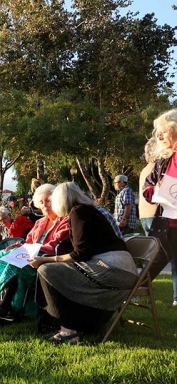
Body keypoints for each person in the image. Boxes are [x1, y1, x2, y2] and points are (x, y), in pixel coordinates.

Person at [31, 182, 138, 344]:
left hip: (114, 270)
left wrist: (44, 260)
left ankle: (68, 330)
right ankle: (79, 322)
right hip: (122, 268)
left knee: (47, 270)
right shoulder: (87, 210)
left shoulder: (78, 212)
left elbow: (80, 254)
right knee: (56, 270)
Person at [0, 184, 70, 318]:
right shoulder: (40, 222)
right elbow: (29, 241)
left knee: (18, 259)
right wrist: (20, 245)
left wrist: (31, 249)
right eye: (41, 202)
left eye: (48, 200)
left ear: (56, 200)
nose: (44, 205)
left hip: (45, 259)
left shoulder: (64, 221)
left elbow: (55, 246)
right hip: (30, 255)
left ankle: (4, 304)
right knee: (4, 253)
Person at [143, 110, 177, 303]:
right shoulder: (163, 161)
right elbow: (146, 188)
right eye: (158, 132)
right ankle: (134, 289)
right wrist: (156, 190)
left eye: (163, 131)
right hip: (166, 225)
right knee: (158, 260)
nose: (159, 136)